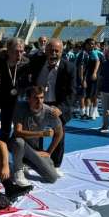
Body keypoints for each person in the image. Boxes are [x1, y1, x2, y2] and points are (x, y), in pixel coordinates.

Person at [29, 38, 75, 170]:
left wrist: (61, 109)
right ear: (45, 51)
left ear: (62, 51)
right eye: (50, 50)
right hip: (39, 103)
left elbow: (72, 93)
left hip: (57, 105)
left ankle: (55, 164)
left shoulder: (69, 67)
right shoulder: (36, 62)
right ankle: (36, 160)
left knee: (59, 135)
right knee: (36, 134)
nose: (53, 53)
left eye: (56, 51)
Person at [10, 86, 62, 186]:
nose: (39, 101)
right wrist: (42, 133)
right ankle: (18, 170)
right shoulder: (20, 107)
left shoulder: (49, 112)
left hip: (34, 150)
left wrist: (49, 151)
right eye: (36, 98)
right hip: (18, 145)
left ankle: (23, 162)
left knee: (52, 177)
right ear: (28, 99)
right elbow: (17, 132)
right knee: (18, 142)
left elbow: (59, 133)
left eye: (42, 97)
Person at [0, 38, 31, 141]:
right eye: (16, 51)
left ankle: (3, 147)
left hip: (12, 98)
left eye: (21, 51)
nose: (19, 54)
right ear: (8, 51)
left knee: (6, 126)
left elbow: (27, 82)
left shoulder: (26, 62)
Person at [81, 38, 101, 119]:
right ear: (86, 44)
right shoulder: (85, 53)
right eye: (90, 44)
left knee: (94, 96)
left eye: (93, 44)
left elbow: (97, 61)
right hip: (88, 77)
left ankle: (94, 113)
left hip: (94, 77)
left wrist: (94, 73)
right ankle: (89, 113)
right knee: (88, 96)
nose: (91, 45)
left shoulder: (94, 52)